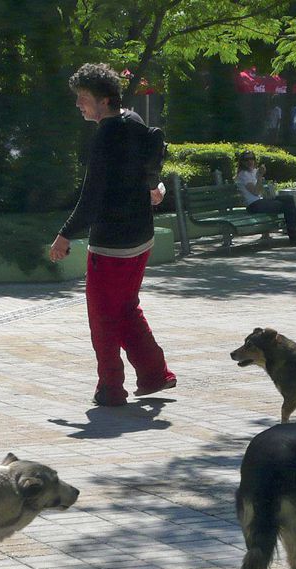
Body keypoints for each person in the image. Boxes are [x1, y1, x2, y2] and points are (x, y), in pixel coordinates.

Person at [48, 63, 175, 408]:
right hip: (142, 237)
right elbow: (147, 166)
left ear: (104, 101)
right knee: (126, 308)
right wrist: (153, 188)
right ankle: (154, 374)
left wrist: (64, 235)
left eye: (83, 98)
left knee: (103, 318)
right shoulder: (133, 121)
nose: (78, 105)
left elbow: (91, 198)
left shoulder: (105, 135)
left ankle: (110, 388)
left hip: (113, 244)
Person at [236, 151, 296, 245]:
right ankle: (295, 236)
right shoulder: (243, 175)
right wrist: (260, 176)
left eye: (252, 158)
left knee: (288, 199)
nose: (250, 161)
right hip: (254, 205)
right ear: (242, 162)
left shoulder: (254, 172)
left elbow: (261, 191)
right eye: (246, 159)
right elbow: (255, 192)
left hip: (261, 201)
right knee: (285, 206)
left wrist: (262, 180)